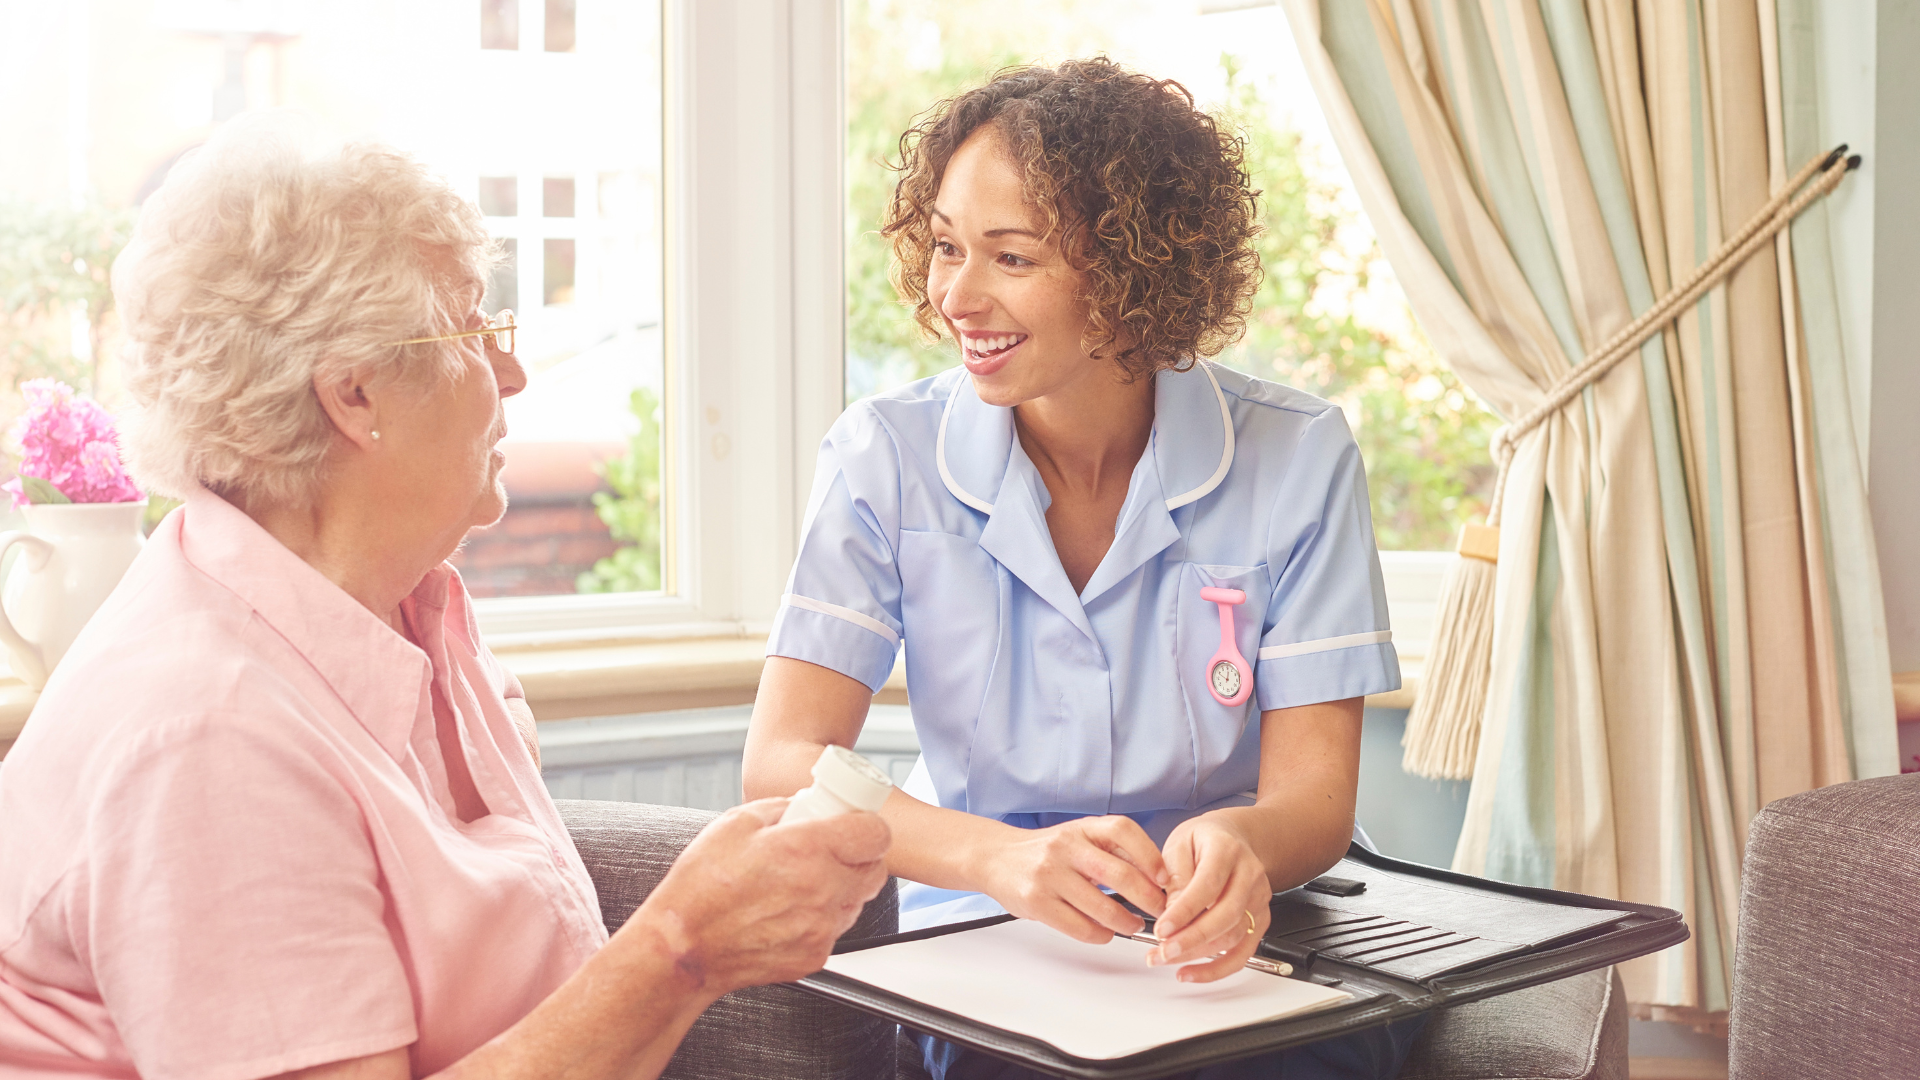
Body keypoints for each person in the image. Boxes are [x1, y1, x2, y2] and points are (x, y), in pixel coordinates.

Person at [0, 114, 889, 1080]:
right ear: (356, 395)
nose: (512, 373)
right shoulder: (207, 735)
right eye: (477, 329)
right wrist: (681, 946)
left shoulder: (395, 604)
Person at [742, 59, 1421, 1079]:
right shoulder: (883, 456)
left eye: (1010, 257)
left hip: (1243, 923)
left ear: (1136, 267)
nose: (956, 296)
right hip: (989, 915)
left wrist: (1244, 845)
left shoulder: (1298, 456)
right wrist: (996, 859)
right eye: (945, 247)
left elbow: (1314, 798)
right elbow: (783, 761)